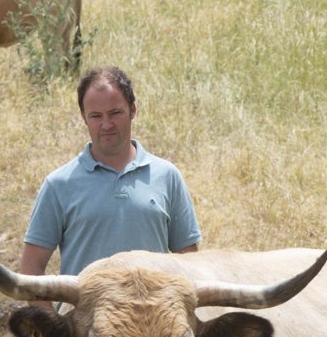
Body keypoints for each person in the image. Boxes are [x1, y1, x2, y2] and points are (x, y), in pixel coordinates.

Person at [20, 66, 202, 307]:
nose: (106, 124)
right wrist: (56, 333)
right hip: (86, 334)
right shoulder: (59, 184)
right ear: (84, 117)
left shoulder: (167, 176)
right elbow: (31, 269)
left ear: (133, 110)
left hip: (153, 329)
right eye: (96, 116)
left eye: (115, 113)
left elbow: (189, 264)